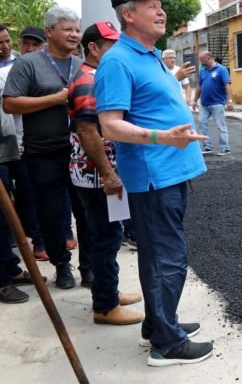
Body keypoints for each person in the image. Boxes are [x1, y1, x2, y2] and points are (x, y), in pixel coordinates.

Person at [95, 0, 212, 366]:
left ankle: (159, 323)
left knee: (159, 253)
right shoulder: (117, 60)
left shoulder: (149, 55)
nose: (160, 10)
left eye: (158, 4)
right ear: (128, 15)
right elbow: (109, 125)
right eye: (149, 5)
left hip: (170, 171)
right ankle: (166, 343)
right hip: (153, 175)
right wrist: (162, 137)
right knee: (168, 256)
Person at [67, 21, 144, 325]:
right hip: (98, 177)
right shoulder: (89, 80)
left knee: (105, 236)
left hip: (96, 174)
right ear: (94, 48)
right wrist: (110, 174)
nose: (118, 50)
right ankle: (105, 305)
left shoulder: (97, 75)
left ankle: (107, 291)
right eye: (111, 44)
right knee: (106, 238)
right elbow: (87, 132)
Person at [3, 7, 86, 289]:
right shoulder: (28, 64)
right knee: (51, 214)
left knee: (87, 212)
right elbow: (10, 103)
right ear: (49, 31)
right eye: (68, 29)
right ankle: (62, 264)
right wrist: (56, 99)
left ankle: (89, 268)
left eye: (77, 29)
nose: (74, 34)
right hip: (43, 153)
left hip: (79, 151)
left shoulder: (81, 64)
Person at [0, 25, 48, 261]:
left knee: (32, 196)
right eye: (1, 42)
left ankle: (39, 242)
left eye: (7, 40)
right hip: (4, 148)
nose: (5, 46)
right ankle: (9, 258)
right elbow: (10, 105)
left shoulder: (29, 66)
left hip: (28, 143)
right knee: (6, 204)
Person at [193, 50, 233, 156]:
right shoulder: (203, 71)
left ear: (209, 58)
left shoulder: (221, 69)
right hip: (204, 104)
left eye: (202, 60)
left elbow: (227, 85)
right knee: (202, 124)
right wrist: (194, 100)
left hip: (217, 103)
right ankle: (207, 147)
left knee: (221, 125)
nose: (201, 62)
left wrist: (229, 101)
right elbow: (199, 86)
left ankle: (225, 148)